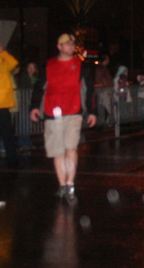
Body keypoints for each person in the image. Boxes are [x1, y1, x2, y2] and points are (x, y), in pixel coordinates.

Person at [30, 33, 96, 203]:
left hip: (73, 112)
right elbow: (39, 87)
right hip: (52, 113)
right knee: (57, 151)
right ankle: (62, 185)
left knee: (70, 148)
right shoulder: (48, 65)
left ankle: (70, 184)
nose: (71, 46)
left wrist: (92, 111)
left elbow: (89, 90)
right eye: (67, 44)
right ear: (59, 47)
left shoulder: (82, 66)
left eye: (72, 44)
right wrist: (34, 107)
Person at [94, 55, 114, 126]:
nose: (109, 61)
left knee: (103, 106)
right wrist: (108, 88)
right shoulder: (102, 69)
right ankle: (106, 122)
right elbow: (103, 79)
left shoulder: (101, 68)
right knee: (106, 107)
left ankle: (103, 122)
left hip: (102, 90)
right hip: (104, 90)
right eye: (107, 59)